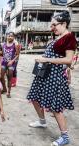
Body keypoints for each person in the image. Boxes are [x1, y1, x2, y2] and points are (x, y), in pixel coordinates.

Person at [27, 11, 77, 146]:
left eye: (55, 25)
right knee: (35, 98)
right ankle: (42, 122)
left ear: (64, 23)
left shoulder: (69, 38)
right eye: (51, 25)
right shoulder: (58, 37)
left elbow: (68, 60)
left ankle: (65, 136)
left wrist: (45, 59)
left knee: (56, 107)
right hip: (44, 74)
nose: (52, 27)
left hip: (55, 77)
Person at [1, 32, 20, 97]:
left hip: (11, 63)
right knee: (1, 76)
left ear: (14, 37)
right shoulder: (3, 44)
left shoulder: (15, 45)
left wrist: (12, 61)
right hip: (4, 62)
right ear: (7, 36)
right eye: (9, 36)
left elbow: (17, 55)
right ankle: (4, 89)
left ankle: (8, 92)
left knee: (9, 77)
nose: (10, 37)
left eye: (12, 36)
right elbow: (3, 54)